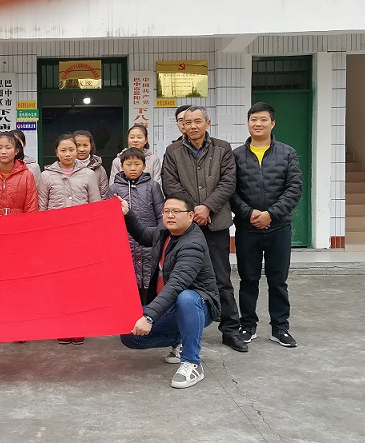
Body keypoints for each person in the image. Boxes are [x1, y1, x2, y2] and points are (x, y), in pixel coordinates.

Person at [160, 105, 247, 353]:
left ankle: (230, 329)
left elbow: (228, 182)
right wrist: (192, 211)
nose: (193, 126)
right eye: (188, 122)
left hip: (215, 223)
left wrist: (207, 207)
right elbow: (170, 184)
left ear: (207, 123)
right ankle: (179, 334)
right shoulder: (173, 152)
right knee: (181, 279)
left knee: (221, 278)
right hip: (185, 227)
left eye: (198, 121)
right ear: (182, 125)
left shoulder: (223, 148)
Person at [118, 194, 221, 389]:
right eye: (166, 211)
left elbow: (176, 284)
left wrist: (149, 317)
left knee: (186, 297)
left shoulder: (193, 245)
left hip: (199, 306)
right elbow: (143, 235)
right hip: (171, 305)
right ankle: (181, 338)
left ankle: (192, 362)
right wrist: (127, 213)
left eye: (176, 211)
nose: (170, 215)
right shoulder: (164, 231)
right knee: (129, 334)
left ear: (190, 216)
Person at [231, 102, 303, 348]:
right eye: (253, 119)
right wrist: (249, 212)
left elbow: (294, 189)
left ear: (272, 123)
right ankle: (247, 325)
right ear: (248, 123)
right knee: (248, 279)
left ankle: (280, 328)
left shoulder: (287, 153)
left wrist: (271, 214)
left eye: (263, 119)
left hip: (278, 228)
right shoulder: (237, 156)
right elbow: (231, 191)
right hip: (247, 228)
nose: (258, 124)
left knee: (278, 280)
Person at [38, 133, 101, 345]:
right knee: (59, 283)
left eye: (71, 150)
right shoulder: (46, 176)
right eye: (63, 150)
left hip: (81, 237)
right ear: (56, 152)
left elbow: (95, 206)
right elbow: (41, 208)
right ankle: (62, 325)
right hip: (56, 238)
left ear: (78, 151)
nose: (68, 154)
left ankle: (79, 325)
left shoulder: (88, 174)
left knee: (80, 282)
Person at [108, 147, 164, 306]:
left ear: (144, 166)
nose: (133, 168)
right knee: (128, 284)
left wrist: (159, 237)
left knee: (150, 282)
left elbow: (161, 214)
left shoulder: (152, 186)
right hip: (125, 244)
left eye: (137, 164)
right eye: (128, 164)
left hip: (148, 242)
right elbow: (110, 221)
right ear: (121, 166)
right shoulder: (114, 189)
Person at [73, 130, 110, 199]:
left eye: (85, 145)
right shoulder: (66, 167)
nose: (81, 149)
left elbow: (104, 195)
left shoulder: (99, 169)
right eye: (78, 145)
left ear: (91, 146)